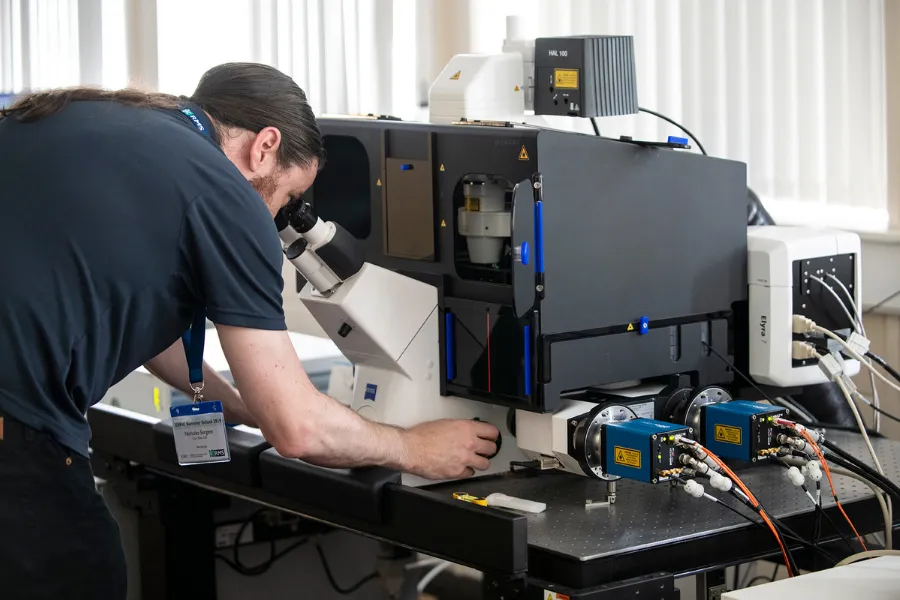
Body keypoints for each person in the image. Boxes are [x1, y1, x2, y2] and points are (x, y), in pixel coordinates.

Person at [0, 62, 499, 599]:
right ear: (265, 146)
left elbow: (129, 300)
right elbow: (297, 431)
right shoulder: (225, 195)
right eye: (286, 198)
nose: (278, 215)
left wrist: (238, 403)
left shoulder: (86, 117)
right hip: (17, 433)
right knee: (83, 573)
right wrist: (413, 448)